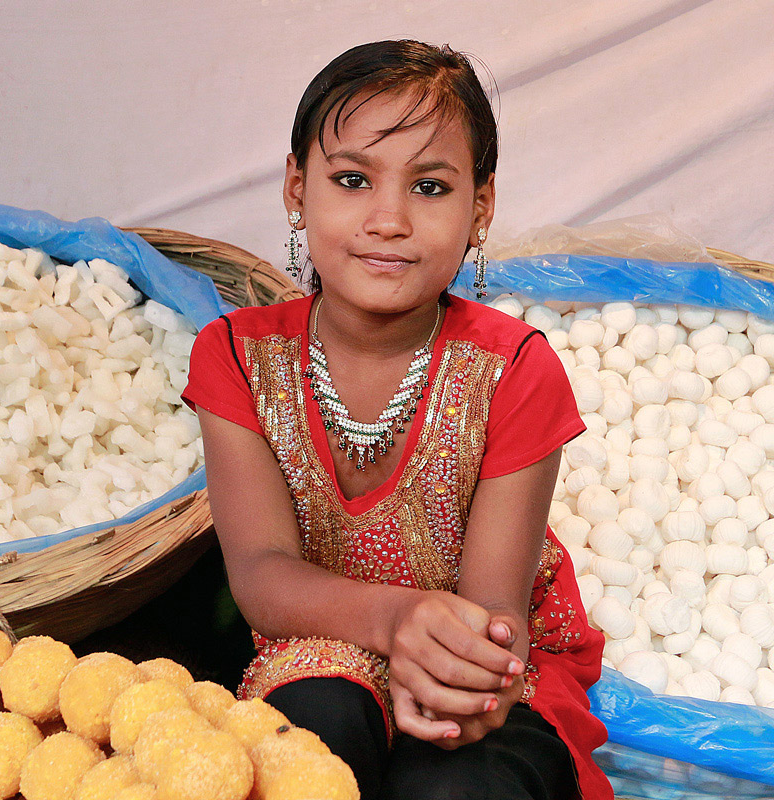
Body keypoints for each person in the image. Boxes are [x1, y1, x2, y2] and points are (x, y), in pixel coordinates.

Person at [181, 40, 611, 799]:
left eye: (431, 187)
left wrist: (466, 677)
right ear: (296, 187)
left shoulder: (511, 368)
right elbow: (260, 574)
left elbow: (492, 606)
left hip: (478, 650)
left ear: (480, 207)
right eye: (351, 180)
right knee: (314, 744)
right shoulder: (238, 358)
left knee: (458, 783)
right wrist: (396, 620)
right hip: (314, 644)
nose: (388, 219)